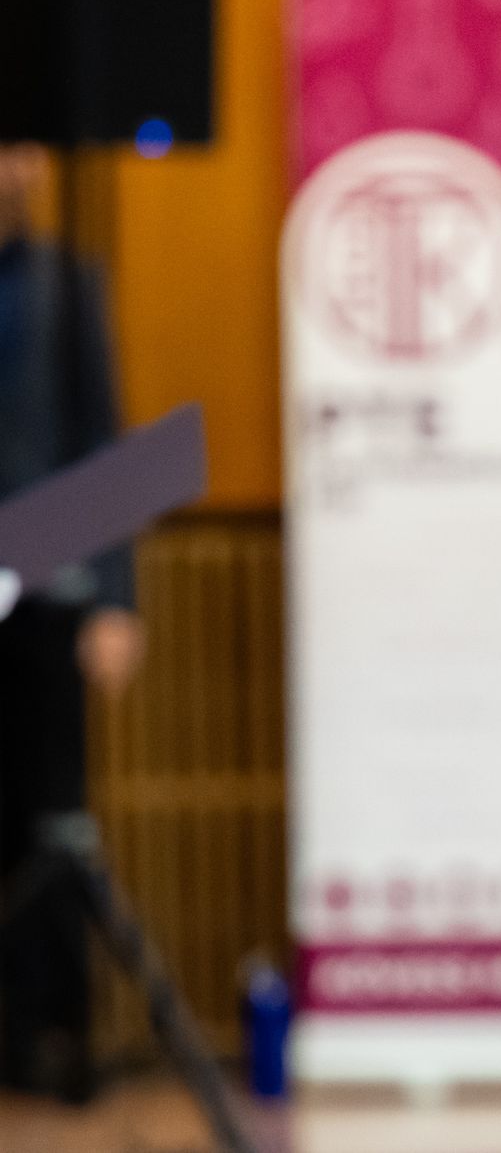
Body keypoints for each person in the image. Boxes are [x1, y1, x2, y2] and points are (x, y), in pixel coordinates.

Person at [0, 140, 147, 1104]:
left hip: (44, 591)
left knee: (52, 818)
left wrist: (116, 597)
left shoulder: (64, 284)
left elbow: (104, 441)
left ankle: (53, 1033)